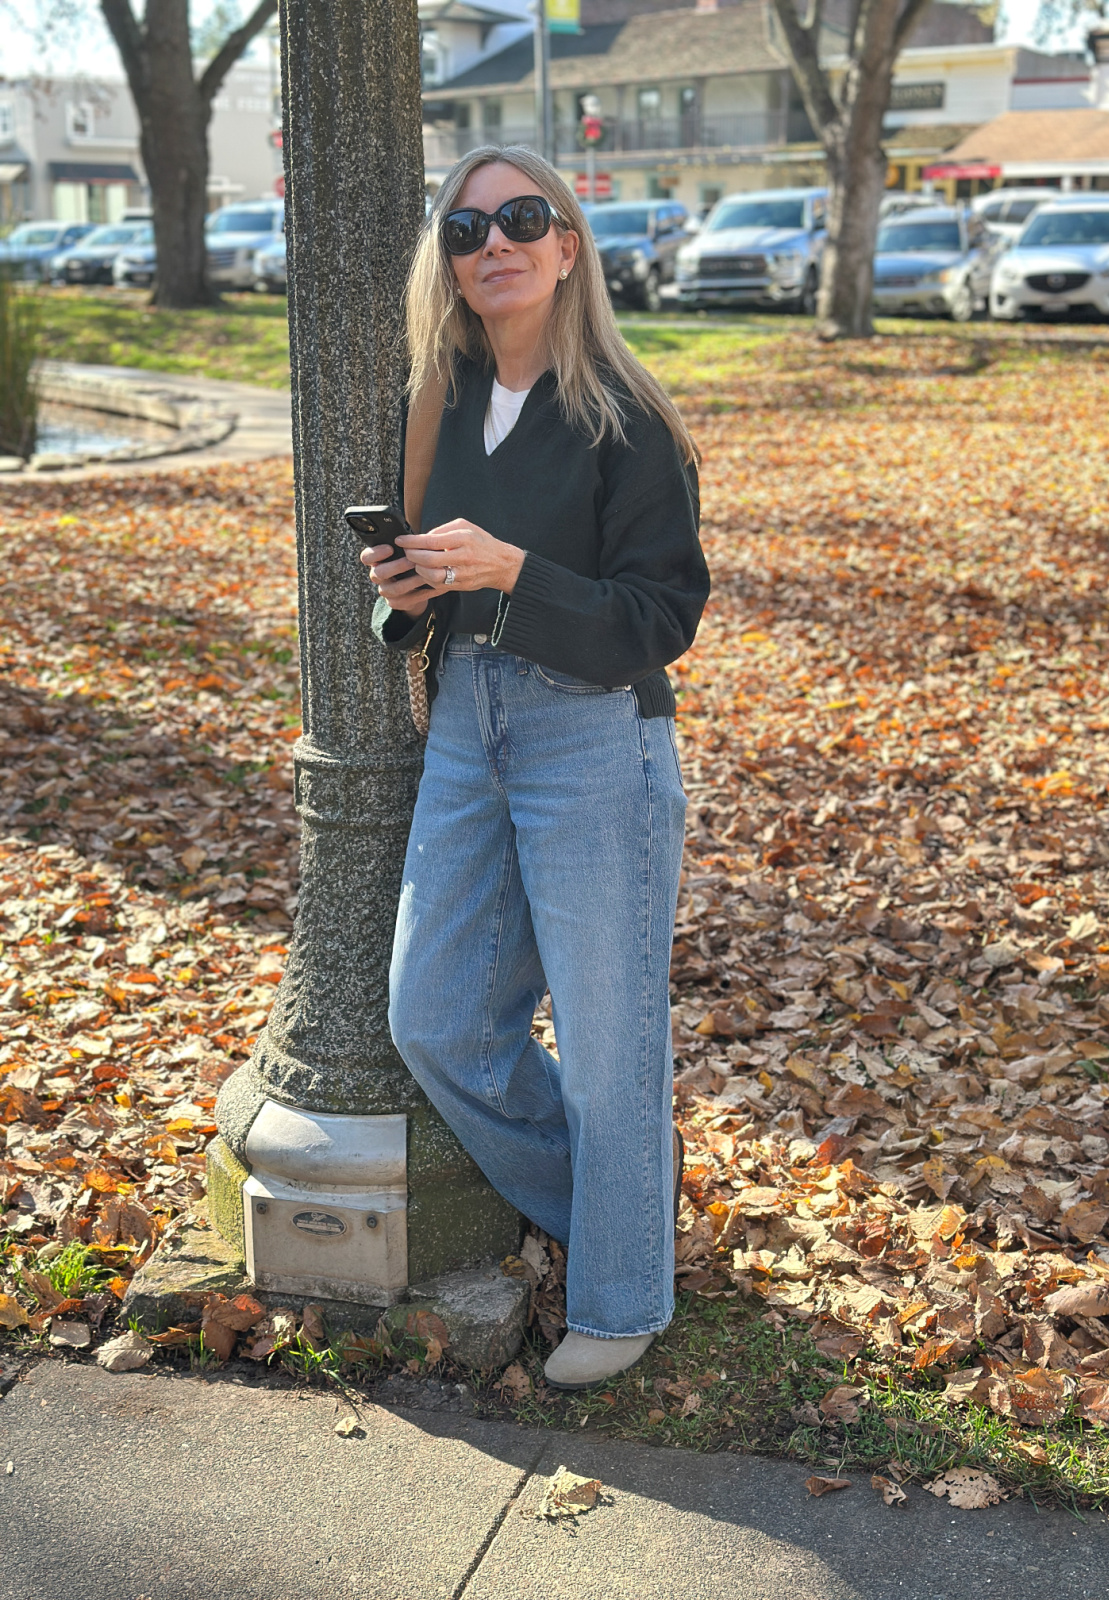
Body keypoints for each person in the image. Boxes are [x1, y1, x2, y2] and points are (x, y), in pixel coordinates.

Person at [359, 145, 708, 1390]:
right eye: (466, 228)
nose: (492, 243)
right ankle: (626, 1211)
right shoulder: (439, 398)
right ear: (446, 264)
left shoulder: (629, 415)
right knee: (436, 1014)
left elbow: (661, 618)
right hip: (467, 721)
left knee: (613, 1042)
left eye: (521, 218)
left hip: (595, 732)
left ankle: (624, 1291)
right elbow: (422, 608)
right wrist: (406, 598)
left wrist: (515, 576)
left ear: (568, 245)